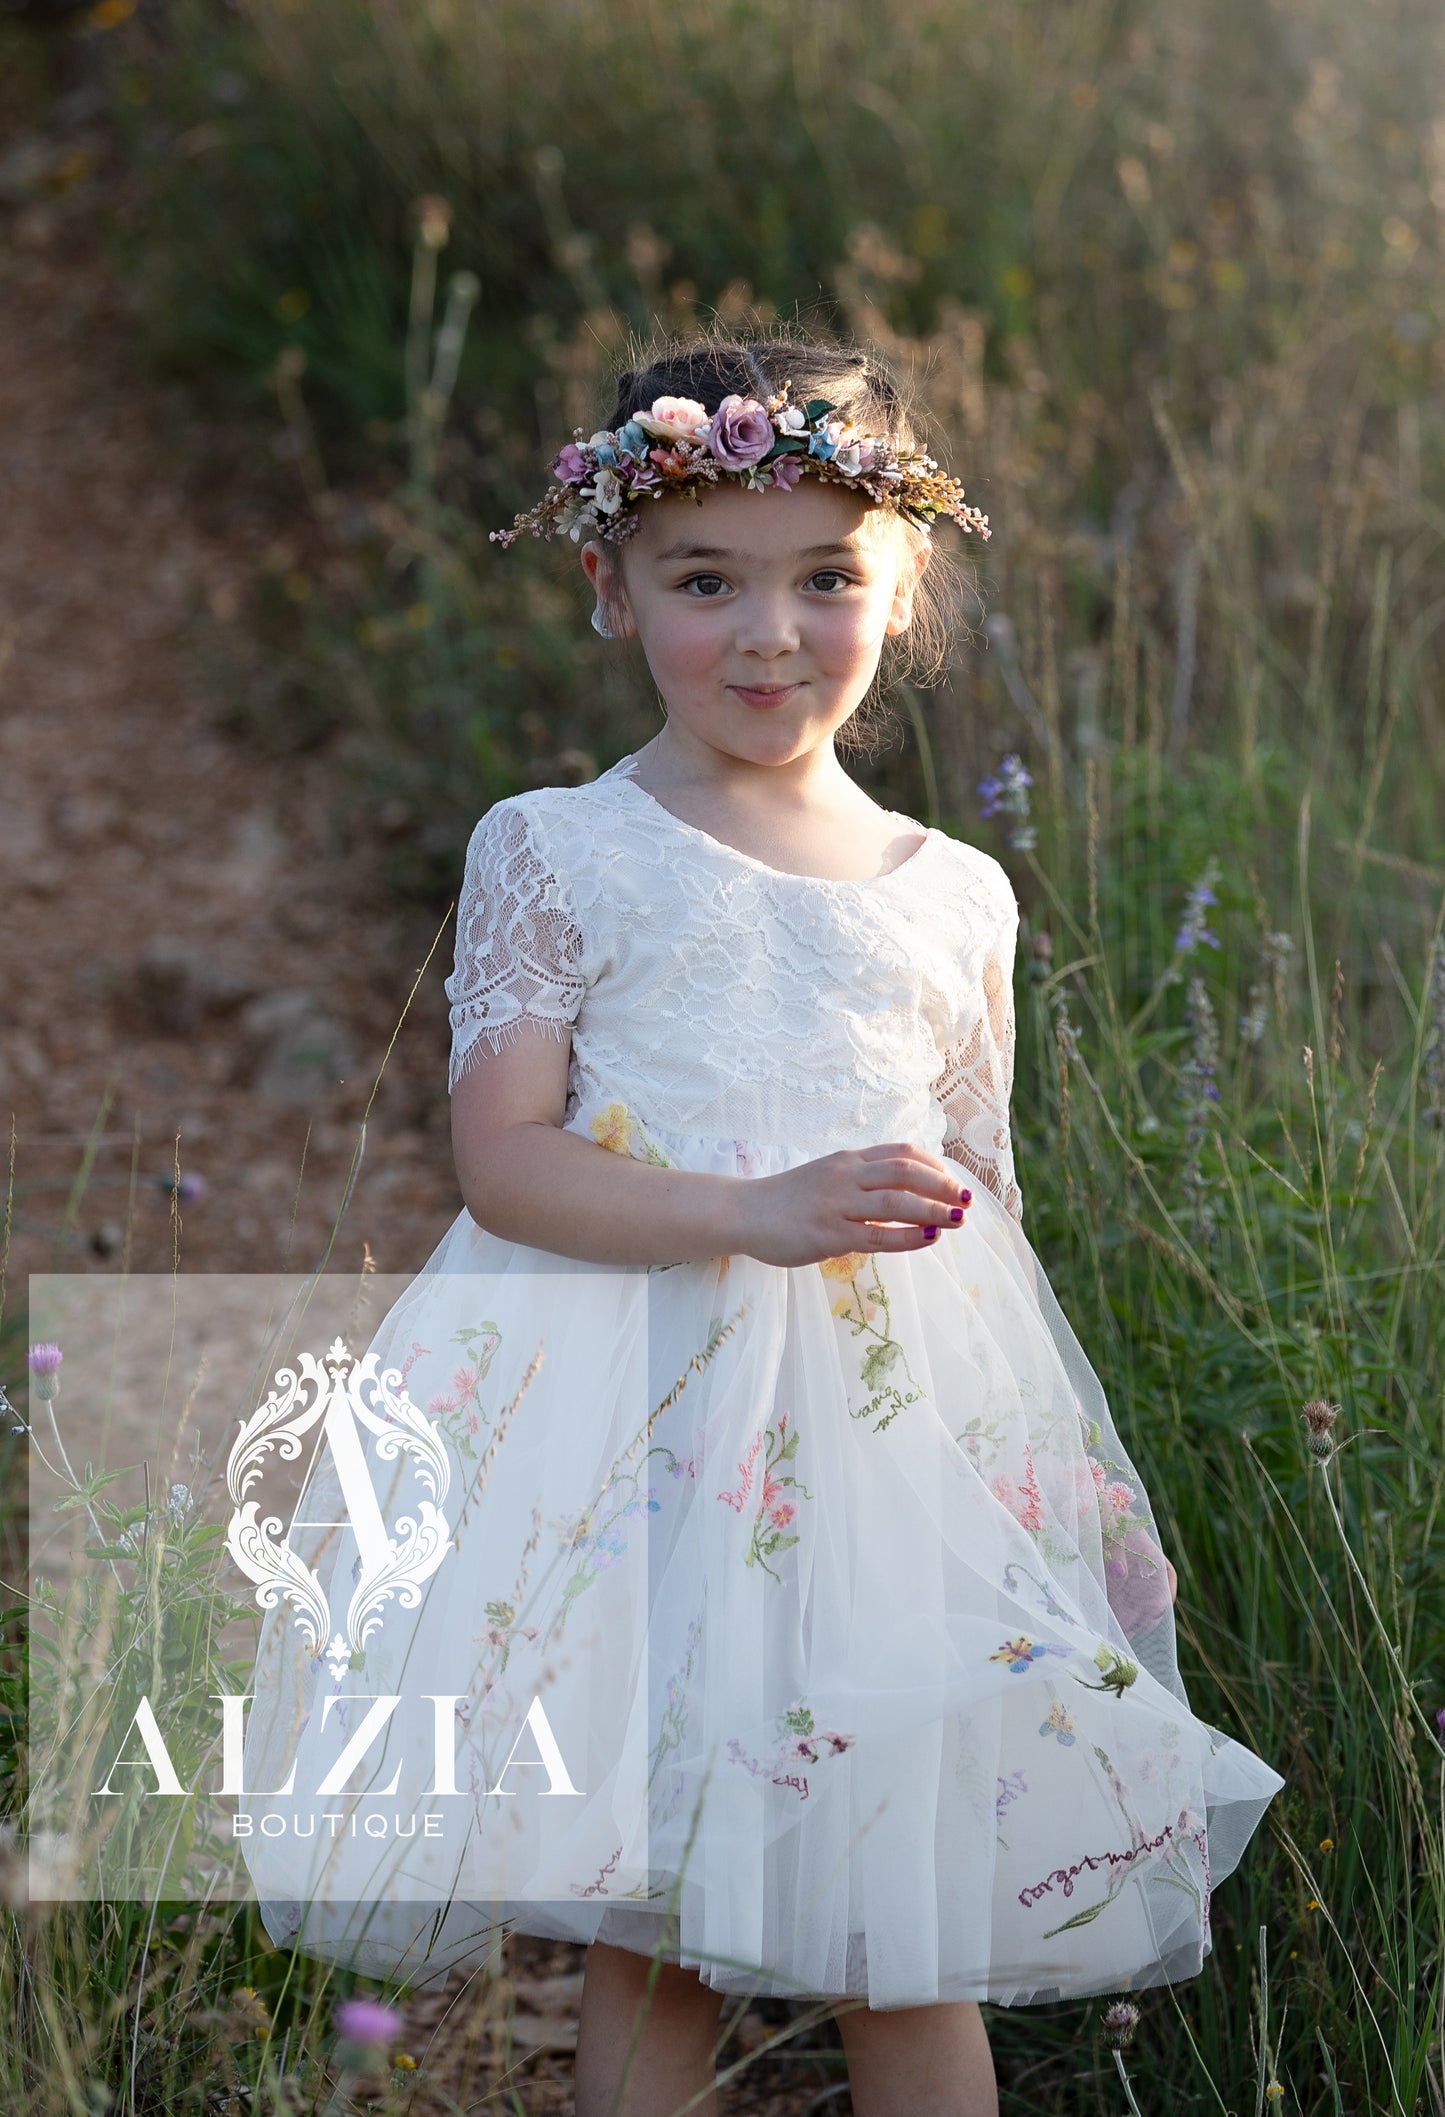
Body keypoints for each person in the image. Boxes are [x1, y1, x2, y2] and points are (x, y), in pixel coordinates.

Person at [238, 326, 1286, 2117]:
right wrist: (749, 1207)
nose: (767, 632)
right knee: (649, 1913)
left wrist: (1066, 1517)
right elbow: (506, 1163)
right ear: (610, 583)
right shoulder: (558, 847)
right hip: (637, 1451)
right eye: (703, 580)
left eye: (824, 579)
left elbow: (983, 1222)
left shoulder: (957, 895)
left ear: (905, 583)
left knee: (908, 1922)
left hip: (882, 1479)